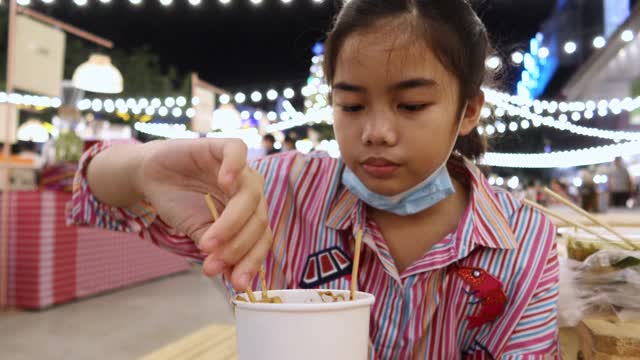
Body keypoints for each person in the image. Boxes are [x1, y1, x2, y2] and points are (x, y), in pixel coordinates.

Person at [68, 1, 559, 358]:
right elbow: (93, 192)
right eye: (351, 105)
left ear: (468, 109)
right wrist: (140, 169)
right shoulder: (277, 193)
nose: (376, 132)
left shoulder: (524, 245)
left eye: (411, 106)